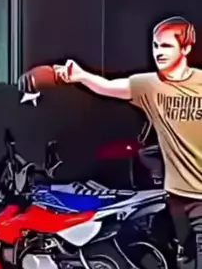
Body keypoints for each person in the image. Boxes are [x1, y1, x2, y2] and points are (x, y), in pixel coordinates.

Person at [54, 16, 202, 268]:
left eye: (166, 46)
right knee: (184, 259)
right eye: (155, 45)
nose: (159, 52)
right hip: (177, 196)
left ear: (186, 48)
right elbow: (108, 87)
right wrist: (80, 76)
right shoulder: (149, 85)